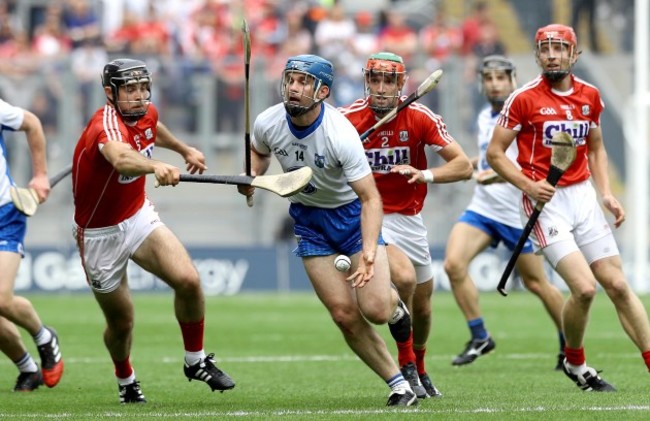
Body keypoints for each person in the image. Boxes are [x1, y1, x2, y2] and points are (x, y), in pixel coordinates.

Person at [237, 54, 417, 406]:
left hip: (352, 218)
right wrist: (252, 179)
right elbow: (258, 154)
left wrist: (367, 254)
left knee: (377, 310)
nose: (292, 87)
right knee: (343, 314)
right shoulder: (267, 121)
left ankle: (396, 307)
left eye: (303, 82)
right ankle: (399, 385)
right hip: (309, 221)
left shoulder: (340, 134)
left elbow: (371, 199)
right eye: (290, 79)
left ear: (322, 91)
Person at [487, 24, 650, 391]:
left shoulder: (590, 95)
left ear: (574, 55)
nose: (552, 55)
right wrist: (529, 185)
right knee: (585, 288)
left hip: (583, 197)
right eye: (545, 49)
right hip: (544, 203)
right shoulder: (523, 99)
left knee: (619, 286)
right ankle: (575, 361)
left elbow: (595, 148)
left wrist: (606, 193)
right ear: (537, 55)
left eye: (560, 49)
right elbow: (495, 154)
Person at [71, 58, 235, 404]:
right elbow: (121, 158)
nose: (140, 96)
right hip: (99, 235)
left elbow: (152, 127)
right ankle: (126, 379)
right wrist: (154, 165)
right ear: (109, 93)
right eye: (130, 89)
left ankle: (196, 360)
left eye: (144, 88)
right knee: (122, 323)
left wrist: (182, 148)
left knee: (188, 280)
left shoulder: (144, 111)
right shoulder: (105, 126)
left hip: (137, 216)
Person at [339, 52, 473, 398]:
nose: (381, 88)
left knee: (424, 307)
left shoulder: (420, 117)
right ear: (366, 81)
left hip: (410, 218)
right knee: (403, 277)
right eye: (375, 80)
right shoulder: (346, 120)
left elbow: (462, 166)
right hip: (368, 216)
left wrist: (423, 174)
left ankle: (420, 368)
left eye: (389, 81)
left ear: (402, 84)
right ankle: (406, 367)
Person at [444, 55, 566, 369]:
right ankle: (480, 336)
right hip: (483, 208)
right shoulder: (486, 115)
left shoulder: (527, 111)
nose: (494, 84)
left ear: (513, 79)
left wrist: (497, 174)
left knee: (537, 284)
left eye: (501, 77)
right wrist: (461, 167)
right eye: (488, 78)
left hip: (516, 213)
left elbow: (532, 162)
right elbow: (490, 157)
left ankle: (570, 345)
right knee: (454, 265)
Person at [0, 98, 64, 392]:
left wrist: (40, 174)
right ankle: (28, 369)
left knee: (0, 298)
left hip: (4, 214)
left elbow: (32, 123)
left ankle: (44, 337)